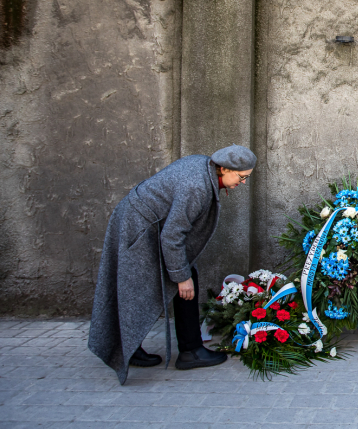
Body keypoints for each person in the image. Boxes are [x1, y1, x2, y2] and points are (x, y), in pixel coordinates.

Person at [88, 145, 257, 384]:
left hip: (146, 223)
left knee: (179, 279)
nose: (242, 183)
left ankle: (186, 349)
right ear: (224, 168)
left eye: (246, 177)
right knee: (149, 286)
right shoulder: (196, 187)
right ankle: (186, 350)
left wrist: (182, 274)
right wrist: (180, 276)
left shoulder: (205, 168)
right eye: (241, 177)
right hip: (140, 227)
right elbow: (172, 236)